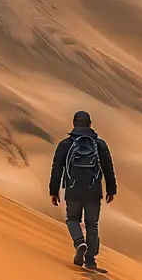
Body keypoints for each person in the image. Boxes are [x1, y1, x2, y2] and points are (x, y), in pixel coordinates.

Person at [49, 110, 117, 270]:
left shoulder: (65, 144)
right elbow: (108, 167)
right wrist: (111, 189)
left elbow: (57, 168)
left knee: (73, 219)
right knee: (92, 224)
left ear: (73, 124)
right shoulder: (100, 144)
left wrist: (54, 190)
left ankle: (80, 243)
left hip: (73, 190)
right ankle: (91, 260)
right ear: (90, 124)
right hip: (93, 191)